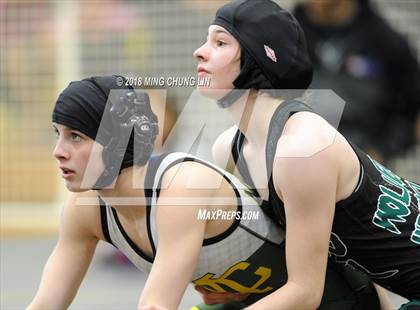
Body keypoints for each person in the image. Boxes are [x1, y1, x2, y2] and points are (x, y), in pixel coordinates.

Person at [27, 75, 380, 310]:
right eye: (57, 133)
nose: (58, 150)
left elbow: (156, 306)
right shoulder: (84, 209)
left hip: (335, 301)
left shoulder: (180, 188)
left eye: (76, 136)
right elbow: (46, 304)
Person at [192, 0, 420, 309]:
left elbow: (305, 292)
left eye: (220, 42)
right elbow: (313, 262)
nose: (200, 52)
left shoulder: (302, 150)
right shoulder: (229, 149)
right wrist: (229, 286)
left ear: (259, 58)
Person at [292, 0, 420, 163]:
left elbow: (409, 111)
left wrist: (379, 152)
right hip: (295, 162)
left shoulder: (387, 43)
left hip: (363, 167)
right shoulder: (283, 36)